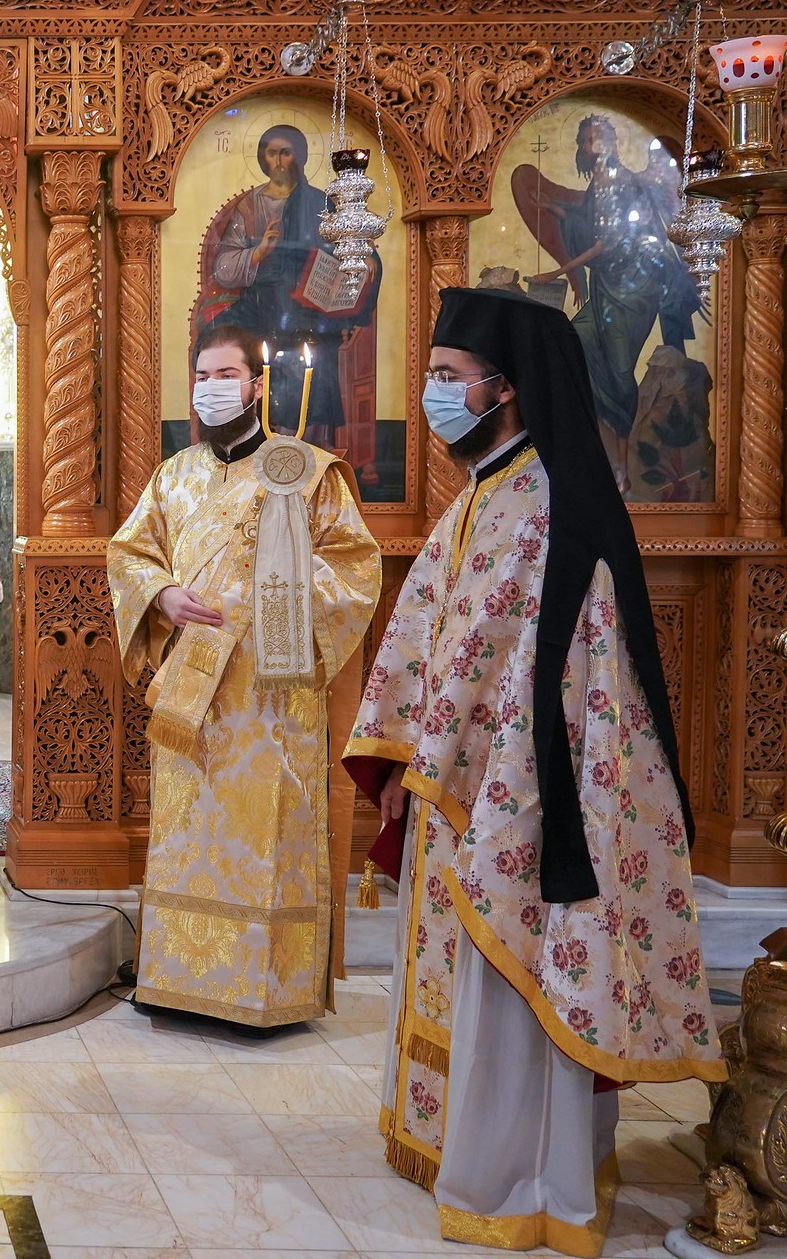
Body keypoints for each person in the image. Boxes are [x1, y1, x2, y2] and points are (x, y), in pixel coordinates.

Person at [346, 287, 723, 1254]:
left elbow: (560, 671)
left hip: (525, 798)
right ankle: (458, 1143)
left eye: (448, 377)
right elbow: (431, 634)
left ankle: (521, 1174)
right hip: (461, 791)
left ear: (504, 388)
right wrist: (407, 755)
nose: (432, 394)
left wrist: (476, 771)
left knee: (515, 983)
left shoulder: (550, 504)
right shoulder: (484, 493)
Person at [106, 323, 381, 1032]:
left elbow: (354, 570)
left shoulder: (308, 472)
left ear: (257, 385)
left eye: (225, 375)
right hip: (192, 690)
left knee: (265, 834)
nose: (210, 388)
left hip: (270, 697)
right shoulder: (175, 474)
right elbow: (129, 553)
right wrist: (162, 595)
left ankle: (265, 994)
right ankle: (176, 979)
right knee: (187, 829)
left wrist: (276, 598)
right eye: (202, 376)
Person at [519, 114, 701, 490]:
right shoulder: (599, 183)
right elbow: (591, 222)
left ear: (611, 143)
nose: (590, 146)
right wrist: (555, 209)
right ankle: (599, 451)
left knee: (619, 369)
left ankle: (622, 466)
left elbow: (604, 243)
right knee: (576, 339)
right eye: (585, 140)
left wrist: (555, 274)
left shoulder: (622, 182)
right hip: (607, 282)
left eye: (596, 139)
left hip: (634, 287)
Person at [202, 124, 380, 438]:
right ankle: (240, 433)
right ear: (262, 159)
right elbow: (224, 268)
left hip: (310, 310)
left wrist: (363, 265)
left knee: (311, 359)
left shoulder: (322, 204)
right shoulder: (250, 207)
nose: (279, 161)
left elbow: (359, 253)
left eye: (285, 153)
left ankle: (308, 444)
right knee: (214, 337)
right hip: (261, 306)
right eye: (271, 153)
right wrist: (259, 252)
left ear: (300, 157)